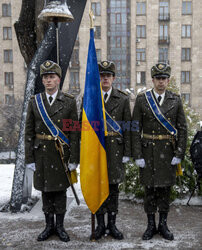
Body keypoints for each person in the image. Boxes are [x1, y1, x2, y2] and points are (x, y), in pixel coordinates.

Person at [25, 60, 79, 242]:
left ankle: (60, 227)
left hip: (61, 155)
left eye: (52, 77)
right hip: (41, 154)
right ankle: (49, 226)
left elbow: (74, 133)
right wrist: (29, 158)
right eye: (45, 77)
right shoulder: (35, 102)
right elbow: (29, 132)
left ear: (58, 80)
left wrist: (74, 158)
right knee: (46, 191)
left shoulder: (69, 103)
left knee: (60, 191)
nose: (48, 80)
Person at [132, 63, 187, 241]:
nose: (161, 82)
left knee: (164, 191)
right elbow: (135, 129)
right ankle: (150, 226)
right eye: (158, 79)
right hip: (147, 152)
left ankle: (163, 225)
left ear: (168, 80)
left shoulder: (175, 100)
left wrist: (179, 153)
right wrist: (137, 155)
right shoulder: (142, 100)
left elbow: (182, 129)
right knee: (149, 191)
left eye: (164, 79)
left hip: (168, 153)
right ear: (153, 80)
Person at [91, 60, 131, 240]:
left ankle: (112, 224)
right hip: (96, 150)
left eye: (108, 75)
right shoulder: (90, 98)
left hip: (115, 151)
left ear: (114, 78)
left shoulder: (122, 99)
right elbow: (84, 127)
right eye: (102, 75)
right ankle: (100, 225)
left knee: (113, 189)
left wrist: (127, 153)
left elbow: (129, 128)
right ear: (98, 78)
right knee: (98, 188)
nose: (105, 78)